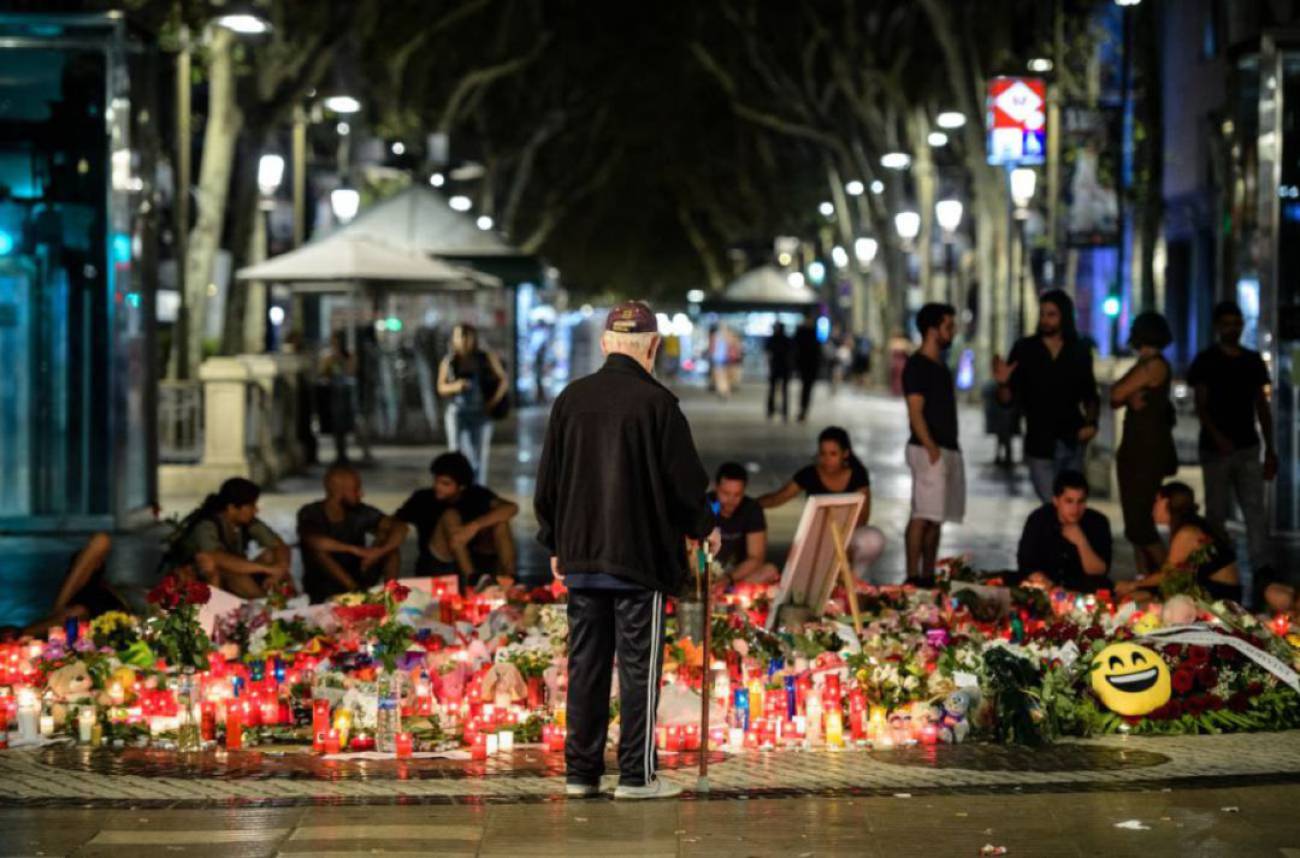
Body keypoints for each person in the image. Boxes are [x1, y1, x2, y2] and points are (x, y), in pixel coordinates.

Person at [535, 299, 716, 801]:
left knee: (586, 667)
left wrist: (555, 540)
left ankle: (581, 774)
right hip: (639, 560)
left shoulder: (570, 400)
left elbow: (548, 481)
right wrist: (705, 527)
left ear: (605, 344)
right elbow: (685, 485)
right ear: (652, 346)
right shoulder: (659, 405)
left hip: (581, 558)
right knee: (639, 669)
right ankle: (636, 776)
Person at [1187, 301, 1279, 600]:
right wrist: (1217, 435)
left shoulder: (1251, 361)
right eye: (1226, 323)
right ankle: (1219, 564)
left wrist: (1270, 448)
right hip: (1216, 449)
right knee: (1216, 511)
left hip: (1247, 445)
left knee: (1254, 510)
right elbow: (1200, 404)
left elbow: (1261, 406)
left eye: (1236, 323)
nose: (1232, 329)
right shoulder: (1207, 360)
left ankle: (1261, 567)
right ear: (1217, 326)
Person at [994, 290, 1100, 502]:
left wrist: (1091, 424)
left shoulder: (1078, 349)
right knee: (1052, 504)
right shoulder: (1025, 348)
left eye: (1051, 314)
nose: (1045, 320)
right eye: (1042, 314)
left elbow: (1089, 393)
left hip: (1072, 438)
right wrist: (1003, 382)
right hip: (1040, 442)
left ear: (1064, 316)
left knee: (1071, 504)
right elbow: (1007, 400)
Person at [759, 426, 888, 583]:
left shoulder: (857, 475)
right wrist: (749, 503)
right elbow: (779, 497)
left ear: (845, 454)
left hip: (847, 534)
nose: (827, 460)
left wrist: (842, 542)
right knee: (796, 572)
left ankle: (855, 579)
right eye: (823, 454)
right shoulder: (810, 474)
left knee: (873, 538)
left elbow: (863, 517)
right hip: (817, 535)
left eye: (833, 454)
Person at [1111, 311, 1178, 575]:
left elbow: (1116, 392)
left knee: (1139, 523)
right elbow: (1118, 396)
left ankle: (1168, 578)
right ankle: (1146, 578)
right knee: (1136, 522)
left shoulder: (1152, 366)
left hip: (1145, 450)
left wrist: (1125, 396)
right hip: (1138, 447)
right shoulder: (1148, 364)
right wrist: (1127, 397)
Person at [903, 303, 965, 585]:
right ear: (932, 330)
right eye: (948, 326)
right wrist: (930, 446)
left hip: (947, 447)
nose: (951, 332)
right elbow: (915, 410)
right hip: (929, 448)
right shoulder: (917, 365)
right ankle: (913, 575)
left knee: (936, 516)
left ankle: (928, 573)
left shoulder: (941, 366)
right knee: (923, 514)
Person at [396, 452, 518, 592]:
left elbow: (511, 508)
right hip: (438, 565)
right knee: (450, 516)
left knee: (500, 523)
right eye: (436, 481)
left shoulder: (476, 495)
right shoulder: (423, 498)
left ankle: (511, 579)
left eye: (445, 484)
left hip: (477, 559)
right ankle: (473, 580)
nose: (438, 487)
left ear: (461, 486)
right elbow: (394, 523)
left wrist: (474, 527)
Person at [296, 464, 408, 603]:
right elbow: (315, 541)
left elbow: (400, 527)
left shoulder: (360, 511)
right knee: (319, 552)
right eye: (356, 490)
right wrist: (354, 550)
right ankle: (357, 592)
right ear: (339, 492)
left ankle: (391, 596)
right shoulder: (311, 512)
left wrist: (379, 551)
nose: (361, 494)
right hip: (324, 585)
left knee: (390, 546)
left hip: (359, 573)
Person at [164, 478, 291, 599]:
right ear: (232, 508)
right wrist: (265, 569)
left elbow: (279, 545)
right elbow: (219, 558)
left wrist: (278, 570)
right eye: (251, 506)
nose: (256, 510)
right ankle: (262, 602)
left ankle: (286, 599)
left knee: (272, 556)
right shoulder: (207, 525)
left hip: (237, 576)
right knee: (230, 570)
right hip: (202, 578)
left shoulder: (247, 522)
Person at [1116, 482, 1242, 604]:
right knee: (1137, 597)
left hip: (1219, 597)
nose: (1153, 507)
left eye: (1156, 501)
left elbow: (1168, 576)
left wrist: (1133, 585)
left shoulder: (1187, 532)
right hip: (1208, 590)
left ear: (1165, 502)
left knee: (1138, 601)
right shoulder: (1190, 526)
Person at [1017, 470, 1113, 592]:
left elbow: (1099, 571)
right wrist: (1043, 581)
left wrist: (1081, 542)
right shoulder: (1039, 520)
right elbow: (1026, 563)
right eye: (1069, 501)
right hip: (1045, 590)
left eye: (1081, 501)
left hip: (1084, 592)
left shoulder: (1098, 523)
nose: (1075, 508)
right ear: (1056, 501)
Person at [18, 533, 131, 637]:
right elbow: (100, 542)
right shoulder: (83, 597)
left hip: (100, 615)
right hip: (87, 607)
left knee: (76, 612)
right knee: (76, 612)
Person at [438, 323, 509, 484]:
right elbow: (440, 387)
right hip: (457, 412)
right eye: (459, 336)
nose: (463, 340)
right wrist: (456, 386)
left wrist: (493, 401)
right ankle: (458, 490)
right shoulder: (449, 361)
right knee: (456, 453)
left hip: (481, 413)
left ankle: (477, 491)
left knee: (479, 457)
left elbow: (503, 379)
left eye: (466, 335)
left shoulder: (485, 358)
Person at [709, 462, 780, 588]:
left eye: (737, 495)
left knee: (770, 571)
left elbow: (756, 558)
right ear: (716, 488)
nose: (730, 500)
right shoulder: (704, 507)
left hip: (737, 576)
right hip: (704, 573)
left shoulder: (751, 509)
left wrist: (728, 579)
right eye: (725, 493)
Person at [318, 331, 358, 464]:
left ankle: (345, 452)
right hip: (334, 391)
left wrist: (340, 358)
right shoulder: (328, 357)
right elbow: (324, 373)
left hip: (346, 391)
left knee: (346, 424)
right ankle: (339, 453)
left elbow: (351, 371)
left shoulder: (348, 355)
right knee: (336, 424)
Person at [794, 315, 822, 422]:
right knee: (806, 389)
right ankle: (803, 410)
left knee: (805, 389)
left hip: (807, 367)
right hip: (808, 367)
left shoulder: (803, 334)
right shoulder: (811, 335)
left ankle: (803, 410)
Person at [766, 322, 792, 421]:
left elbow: (768, 353)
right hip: (782, 367)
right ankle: (783, 412)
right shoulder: (786, 340)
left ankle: (771, 411)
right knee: (783, 391)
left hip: (777, 367)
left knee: (773, 390)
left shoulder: (773, 339)